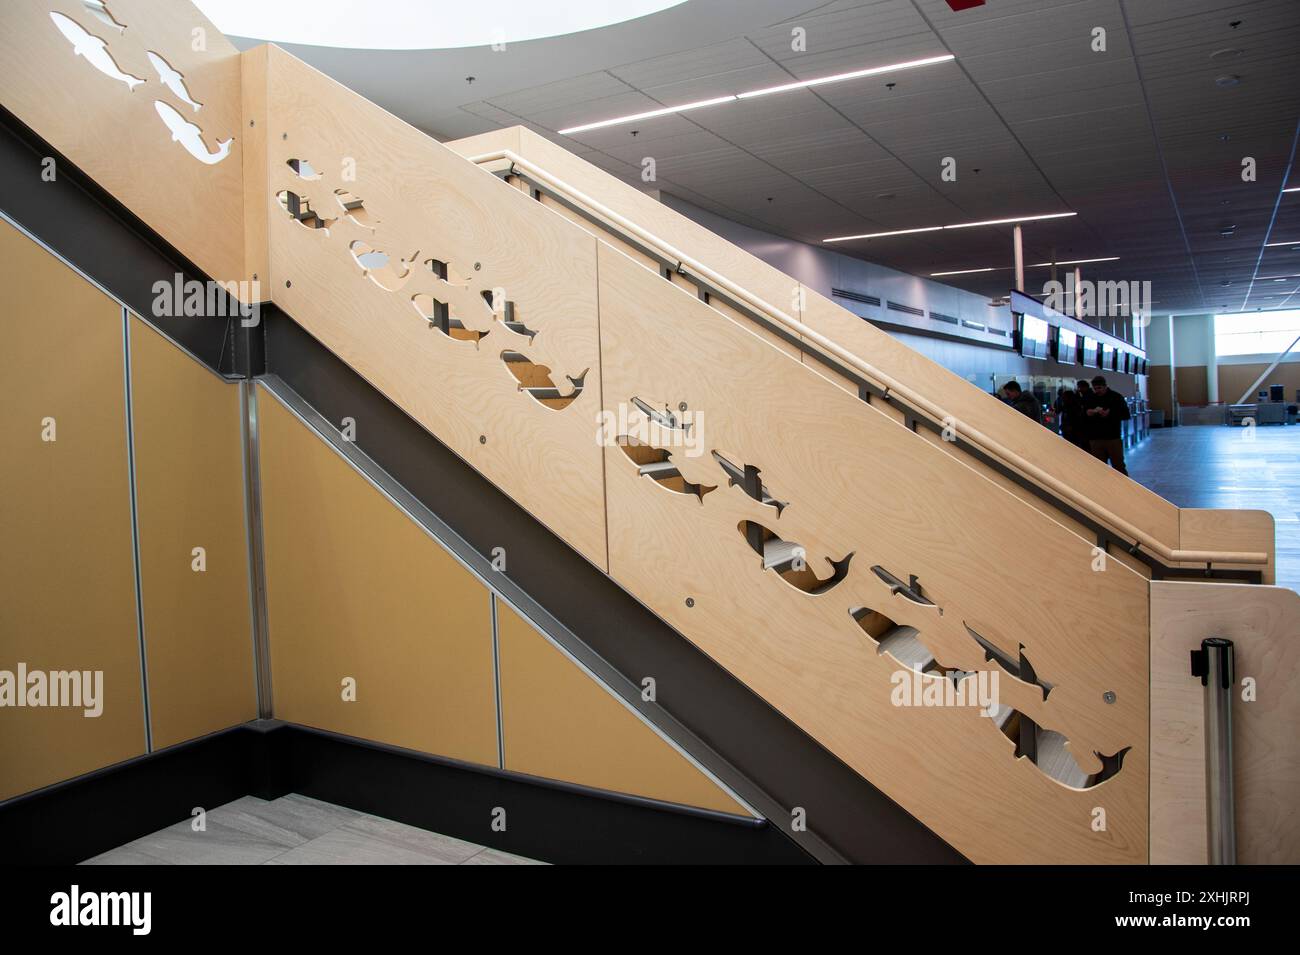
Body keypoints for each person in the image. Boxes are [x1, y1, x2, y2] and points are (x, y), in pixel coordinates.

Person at [1082, 375, 1131, 474]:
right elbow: (1082, 415)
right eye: (1095, 389)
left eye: (1099, 388)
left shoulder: (1116, 397)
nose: (1097, 391)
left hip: (1112, 437)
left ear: (1105, 386)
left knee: (1118, 466)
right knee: (1099, 467)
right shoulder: (1090, 398)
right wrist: (1088, 412)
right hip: (1095, 438)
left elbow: (1126, 414)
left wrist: (1111, 413)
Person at [1054, 385, 1089, 450]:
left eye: (1064, 397)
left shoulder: (1070, 407)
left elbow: (1072, 419)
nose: (1062, 398)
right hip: (1072, 430)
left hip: (1072, 431)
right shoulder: (1073, 405)